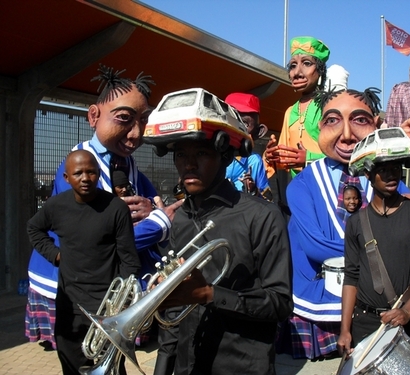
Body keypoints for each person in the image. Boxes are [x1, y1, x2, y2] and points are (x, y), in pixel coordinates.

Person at [25, 65, 182, 351]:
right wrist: (160, 222)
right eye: (124, 119)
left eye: (142, 121)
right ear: (94, 116)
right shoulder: (77, 166)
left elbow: (157, 206)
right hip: (71, 278)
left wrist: (156, 213)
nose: (136, 134)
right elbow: (103, 240)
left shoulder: (129, 164)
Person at [146, 115, 293, 375]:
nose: (188, 164)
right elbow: (175, 311)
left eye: (201, 153)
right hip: (186, 365)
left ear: (225, 157)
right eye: (180, 155)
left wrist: (210, 295)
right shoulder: (180, 218)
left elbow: (280, 304)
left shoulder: (263, 216)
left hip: (241, 366)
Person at [280, 87, 410, 360]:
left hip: (373, 305)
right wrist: (381, 252)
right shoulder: (302, 183)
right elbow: (317, 247)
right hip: (319, 302)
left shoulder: (389, 181)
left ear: (376, 124)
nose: (347, 134)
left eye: (360, 120)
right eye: (332, 120)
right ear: (319, 127)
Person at [26, 150, 141, 375]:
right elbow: (34, 228)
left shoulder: (115, 208)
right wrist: (55, 255)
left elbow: (129, 259)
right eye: (78, 173)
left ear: (98, 174)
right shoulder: (55, 206)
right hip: (70, 306)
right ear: (67, 178)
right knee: (72, 367)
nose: (85, 178)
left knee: (112, 370)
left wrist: (121, 306)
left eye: (91, 172)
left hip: (106, 308)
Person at [337, 141, 410, 355]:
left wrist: (407, 311)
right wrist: (345, 329)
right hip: (365, 323)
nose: (391, 175)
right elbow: (351, 276)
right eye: (383, 170)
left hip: (407, 325)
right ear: (368, 174)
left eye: (395, 169)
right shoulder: (356, 222)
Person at [264, 37, 350, 179]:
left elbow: (346, 154)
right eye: (292, 65)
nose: (297, 73)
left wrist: (309, 158)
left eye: (306, 63)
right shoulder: (290, 111)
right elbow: (285, 162)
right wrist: (271, 157)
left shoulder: (330, 106)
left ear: (320, 70)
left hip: (330, 187)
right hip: (298, 188)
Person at [224, 92, 272, 200]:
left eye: (245, 124)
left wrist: (254, 190)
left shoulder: (254, 161)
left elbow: (268, 201)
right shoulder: (211, 155)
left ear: (258, 132)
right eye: (232, 120)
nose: (237, 128)